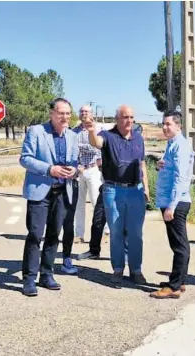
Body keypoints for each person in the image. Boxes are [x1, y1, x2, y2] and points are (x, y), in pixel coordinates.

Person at [19, 98, 79, 297]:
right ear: (51, 114)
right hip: (40, 191)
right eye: (61, 113)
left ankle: (47, 274)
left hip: (62, 192)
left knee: (54, 235)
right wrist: (49, 169)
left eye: (68, 114)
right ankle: (29, 279)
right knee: (35, 235)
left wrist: (74, 170)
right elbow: (25, 159)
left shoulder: (72, 136)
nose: (65, 117)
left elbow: (75, 161)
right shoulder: (36, 131)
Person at [86, 105, 150, 287]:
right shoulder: (108, 135)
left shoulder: (138, 137)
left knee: (136, 233)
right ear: (117, 119)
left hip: (135, 191)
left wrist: (146, 188)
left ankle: (136, 270)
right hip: (113, 190)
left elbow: (142, 164)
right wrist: (91, 131)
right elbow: (96, 143)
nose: (129, 120)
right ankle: (118, 269)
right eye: (125, 117)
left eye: (131, 117)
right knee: (116, 232)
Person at [150, 110, 194, 299]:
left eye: (169, 124)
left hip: (176, 202)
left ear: (178, 125)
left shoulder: (181, 146)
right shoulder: (172, 145)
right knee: (177, 243)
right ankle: (179, 280)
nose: (165, 127)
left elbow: (181, 178)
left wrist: (171, 206)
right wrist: (161, 165)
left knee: (179, 245)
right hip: (170, 201)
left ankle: (174, 286)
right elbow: (172, 169)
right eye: (164, 124)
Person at [72, 105, 109, 246]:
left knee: (97, 203)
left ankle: (105, 232)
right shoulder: (74, 131)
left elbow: (97, 149)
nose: (84, 113)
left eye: (86, 111)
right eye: (81, 111)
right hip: (78, 172)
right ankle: (79, 234)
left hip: (93, 170)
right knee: (78, 205)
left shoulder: (98, 130)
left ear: (91, 114)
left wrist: (82, 147)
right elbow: (72, 150)